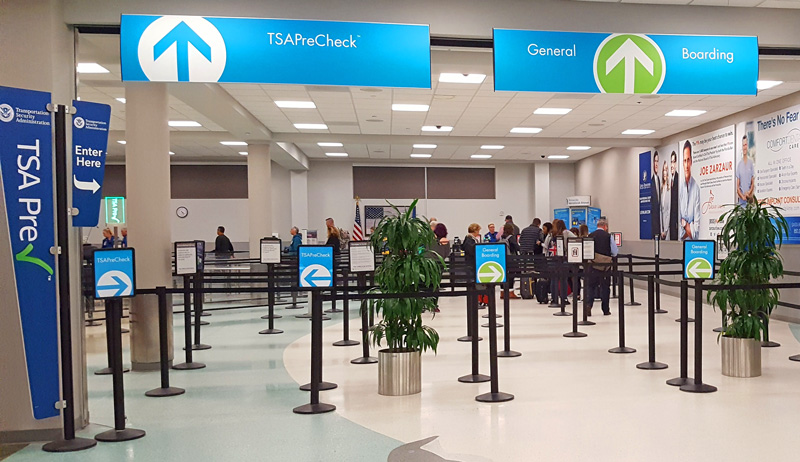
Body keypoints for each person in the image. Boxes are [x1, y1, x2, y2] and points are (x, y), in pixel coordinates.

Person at [584, 218, 618, 316]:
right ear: (605, 226)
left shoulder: (590, 235)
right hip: (605, 267)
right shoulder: (608, 236)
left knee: (591, 286)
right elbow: (614, 252)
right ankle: (605, 309)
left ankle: (588, 305)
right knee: (605, 287)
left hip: (593, 265)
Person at [679, 141, 701, 241]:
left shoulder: (696, 189)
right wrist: (690, 225)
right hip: (679, 246)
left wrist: (684, 224)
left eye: (688, 160)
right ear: (682, 163)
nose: (687, 165)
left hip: (693, 246)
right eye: (684, 161)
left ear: (691, 161)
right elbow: (679, 234)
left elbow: (695, 234)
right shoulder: (680, 189)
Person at [500, 223, 520, 299]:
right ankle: (510, 292)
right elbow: (516, 247)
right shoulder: (511, 237)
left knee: (503, 275)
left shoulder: (502, 237)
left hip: (503, 259)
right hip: (511, 259)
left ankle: (502, 292)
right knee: (511, 275)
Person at [736, 134, 755, 206]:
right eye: (743, 145)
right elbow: (738, 187)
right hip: (741, 203)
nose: (744, 147)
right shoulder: (739, 165)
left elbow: (752, 183)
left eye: (746, 145)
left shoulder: (751, 163)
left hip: (750, 201)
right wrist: (742, 197)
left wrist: (749, 193)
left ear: (748, 146)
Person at [650, 151, 662, 240]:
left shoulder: (659, 180)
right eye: (655, 161)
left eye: (657, 161)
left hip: (660, 221)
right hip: (654, 222)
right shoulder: (651, 182)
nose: (656, 164)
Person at [669, 151, 679, 241]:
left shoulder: (678, 179)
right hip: (670, 222)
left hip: (676, 222)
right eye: (671, 162)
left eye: (674, 162)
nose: (672, 165)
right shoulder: (669, 181)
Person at [660, 160, 671, 240]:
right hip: (662, 229)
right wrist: (661, 230)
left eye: (666, 170)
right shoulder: (661, 189)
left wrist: (665, 230)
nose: (665, 172)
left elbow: (668, 211)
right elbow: (660, 211)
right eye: (663, 170)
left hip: (667, 228)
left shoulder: (669, 189)